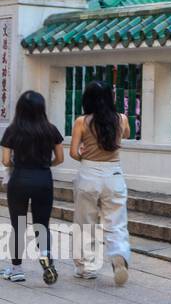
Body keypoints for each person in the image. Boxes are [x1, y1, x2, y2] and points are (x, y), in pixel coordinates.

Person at [69, 80, 131, 285]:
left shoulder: (82, 121)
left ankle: (86, 268)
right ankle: (119, 255)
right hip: (113, 175)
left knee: (85, 222)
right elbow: (127, 134)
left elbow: (73, 153)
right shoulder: (121, 119)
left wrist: (82, 154)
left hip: (88, 174)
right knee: (116, 222)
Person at [1, 91, 63, 284]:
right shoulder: (51, 130)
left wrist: (19, 165)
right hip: (43, 179)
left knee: (18, 225)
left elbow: (5, 160)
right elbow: (60, 158)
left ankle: (17, 269)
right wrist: (44, 166)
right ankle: (45, 257)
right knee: (42, 224)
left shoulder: (12, 130)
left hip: (20, 178)